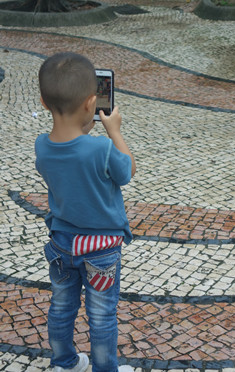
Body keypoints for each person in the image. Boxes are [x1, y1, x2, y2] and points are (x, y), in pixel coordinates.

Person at [35, 52, 136, 372]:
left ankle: (64, 363)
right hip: (101, 249)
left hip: (63, 242)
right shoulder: (102, 149)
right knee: (102, 315)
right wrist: (114, 131)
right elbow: (127, 172)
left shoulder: (41, 145)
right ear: (92, 104)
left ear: (43, 101)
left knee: (62, 307)